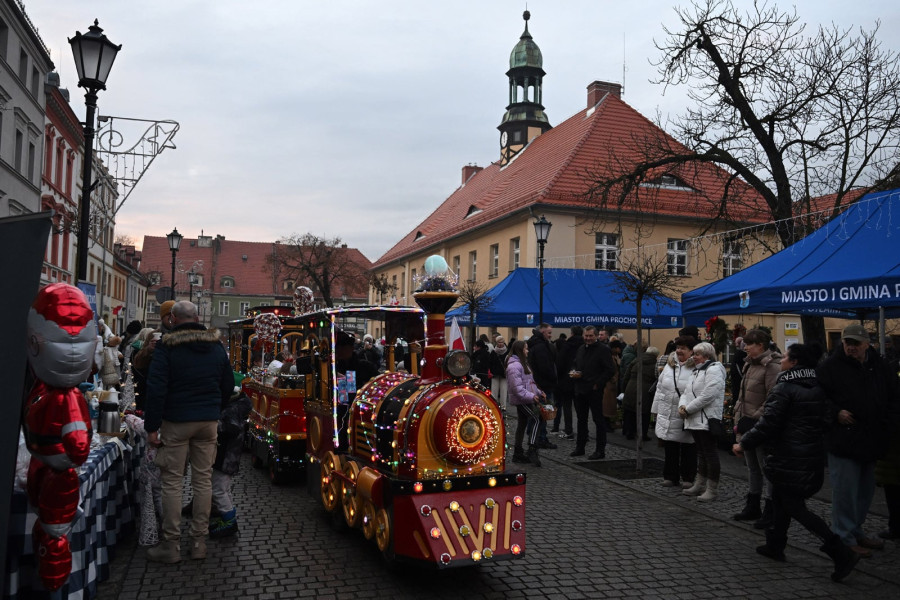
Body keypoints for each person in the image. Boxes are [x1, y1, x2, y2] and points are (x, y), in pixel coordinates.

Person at [734, 343, 859, 582]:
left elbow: (769, 423)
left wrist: (744, 443)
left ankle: (841, 552)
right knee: (782, 499)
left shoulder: (786, 387)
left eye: (785, 356)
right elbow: (827, 419)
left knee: (794, 506)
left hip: (788, 456)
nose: (781, 360)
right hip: (810, 453)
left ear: (794, 362)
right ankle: (775, 545)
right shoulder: (819, 386)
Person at [145, 301, 233, 563]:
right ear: (197, 318)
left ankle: (171, 545)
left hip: (177, 421)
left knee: (172, 481)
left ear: (173, 318)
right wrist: (214, 408)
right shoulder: (215, 345)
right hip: (207, 421)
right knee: (203, 480)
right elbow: (227, 383)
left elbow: (156, 388)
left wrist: (152, 427)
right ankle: (198, 543)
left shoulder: (167, 345)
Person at [817, 323, 900, 558]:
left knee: (865, 492)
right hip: (843, 440)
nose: (850, 347)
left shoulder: (880, 365)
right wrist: (835, 412)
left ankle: (856, 530)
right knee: (845, 492)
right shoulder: (830, 366)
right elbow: (818, 397)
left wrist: (887, 425)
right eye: (847, 343)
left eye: (855, 343)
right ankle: (843, 537)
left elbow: (894, 397)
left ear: (867, 344)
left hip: (872, 439)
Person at [732, 328, 782, 527]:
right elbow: (742, 396)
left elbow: (772, 398)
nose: (745, 348)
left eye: (749, 344)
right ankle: (753, 505)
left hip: (760, 425)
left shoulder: (772, 366)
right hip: (747, 423)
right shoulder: (749, 364)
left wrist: (754, 417)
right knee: (752, 467)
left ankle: (770, 510)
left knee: (765, 468)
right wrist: (739, 420)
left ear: (760, 346)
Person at [679, 342, 726, 502]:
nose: (694, 357)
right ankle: (699, 484)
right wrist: (682, 406)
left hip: (707, 418)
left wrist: (688, 409)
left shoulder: (714, 370)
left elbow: (708, 395)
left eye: (697, 354)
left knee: (710, 453)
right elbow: (686, 392)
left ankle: (712, 488)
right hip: (695, 418)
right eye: (694, 354)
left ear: (706, 356)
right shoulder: (696, 371)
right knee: (701, 452)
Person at [651, 336, 697, 488]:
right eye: (678, 348)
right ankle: (670, 476)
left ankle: (688, 477)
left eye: (683, 348)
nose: (679, 351)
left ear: (691, 351)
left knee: (688, 446)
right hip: (667, 412)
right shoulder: (669, 365)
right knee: (670, 445)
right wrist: (656, 410)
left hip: (685, 412)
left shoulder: (696, 367)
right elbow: (659, 388)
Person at [571, 326, 616, 459]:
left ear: (596, 336)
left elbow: (610, 370)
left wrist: (598, 383)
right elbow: (575, 363)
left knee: (598, 420)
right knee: (581, 419)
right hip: (580, 388)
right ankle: (580, 447)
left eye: (591, 336)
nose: (588, 338)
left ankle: (600, 450)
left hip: (594, 390)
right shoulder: (581, 348)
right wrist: (574, 372)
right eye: (586, 336)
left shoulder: (603, 349)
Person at [507, 340, 546, 467]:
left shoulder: (523, 364)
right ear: (520, 350)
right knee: (536, 418)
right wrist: (532, 396)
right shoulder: (514, 366)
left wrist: (539, 393)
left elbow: (530, 384)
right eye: (526, 349)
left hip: (526, 397)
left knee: (522, 423)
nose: (527, 351)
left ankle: (518, 452)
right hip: (522, 399)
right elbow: (517, 388)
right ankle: (532, 448)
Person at [527, 323, 558, 450]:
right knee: (543, 413)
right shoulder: (541, 346)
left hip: (537, 384)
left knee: (537, 412)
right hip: (543, 385)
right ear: (542, 332)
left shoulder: (535, 343)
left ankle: (533, 435)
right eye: (549, 333)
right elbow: (545, 367)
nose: (550, 335)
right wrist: (553, 378)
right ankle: (541, 438)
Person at [622, 346, 659, 441]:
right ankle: (642, 434)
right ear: (656, 355)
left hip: (631, 387)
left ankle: (629, 432)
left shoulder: (636, 360)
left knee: (630, 411)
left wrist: (624, 389)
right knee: (644, 414)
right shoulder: (655, 365)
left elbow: (626, 376)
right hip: (646, 391)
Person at [554, 326, 583, 439]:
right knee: (581, 408)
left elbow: (560, 364)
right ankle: (583, 432)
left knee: (567, 406)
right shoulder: (584, 345)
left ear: (572, 333)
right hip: (581, 380)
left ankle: (569, 430)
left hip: (567, 380)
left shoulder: (567, 345)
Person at [604, 340, 625, 433]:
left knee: (609, 406)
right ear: (615, 348)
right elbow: (610, 370)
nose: (620, 350)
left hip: (610, 386)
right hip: (608, 385)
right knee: (607, 406)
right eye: (619, 348)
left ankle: (608, 424)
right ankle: (606, 425)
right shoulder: (609, 357)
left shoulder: (613, 356)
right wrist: (614, 378)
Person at [489, 336, 510, 411]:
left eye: (502, 342)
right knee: (494, 391)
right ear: (496, 343)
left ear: (504, 342)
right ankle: (494, 406)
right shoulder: (493, 352)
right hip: (495, 374)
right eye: (499, 342)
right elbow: (490, 363)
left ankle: (503, 407)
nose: (500, 344)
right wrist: (491, 371)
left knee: (503, 391)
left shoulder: (507, 352)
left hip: (504, 374)